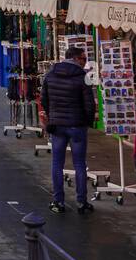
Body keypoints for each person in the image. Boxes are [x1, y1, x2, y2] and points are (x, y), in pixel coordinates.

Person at [41, 45, 97, 214]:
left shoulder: (50, 75)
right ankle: (82, 202)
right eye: (84, 59)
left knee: (57, 163)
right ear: (75, 58)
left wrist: (52, 115)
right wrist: (87, 122)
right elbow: (89, 104)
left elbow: (44, 99)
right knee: (79, 163)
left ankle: (58, 201)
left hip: (57, 125)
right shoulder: (83, 77)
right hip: (77, 125)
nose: (85, 63)